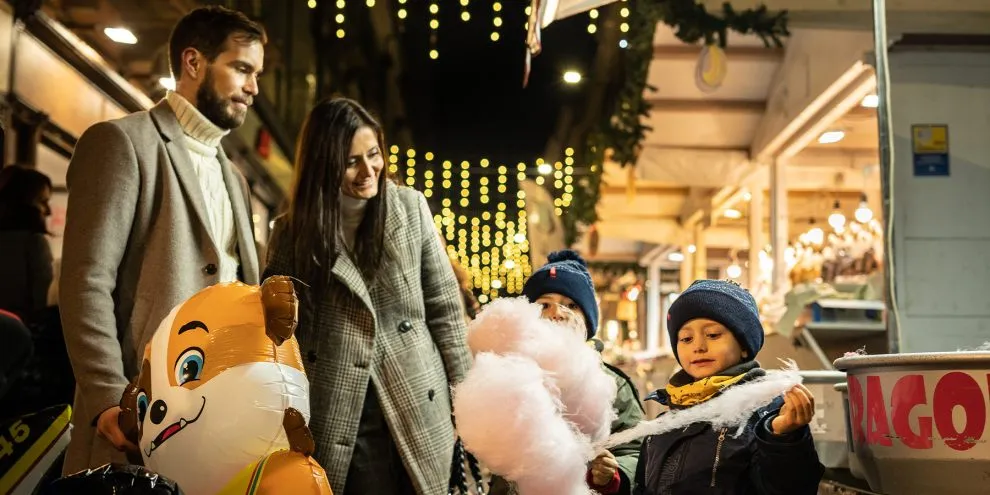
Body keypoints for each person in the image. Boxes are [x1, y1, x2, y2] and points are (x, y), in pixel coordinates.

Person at [59, 6, 264, 475]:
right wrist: (109, 398)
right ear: (193, 63)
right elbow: (85, 282)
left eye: (256, 73)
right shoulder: (121, 143)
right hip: (140, 416)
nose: (253, 87)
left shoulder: (234, 176)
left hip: (220, 418)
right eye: (241, 68)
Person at [264, 98, 472, 495]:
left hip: (417, 397)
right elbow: (281, 335)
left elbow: (445, 310)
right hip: (341, 408)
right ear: (323, 165)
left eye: (373, 154)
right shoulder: (293, 232)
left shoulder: (409, 209)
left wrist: (468, 400)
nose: (368, 171)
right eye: (350, 161)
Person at [633, 279, 824, 494]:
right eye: (686, 338)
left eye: (713, 335)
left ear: (743, 345)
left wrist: (783, 439)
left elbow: (793, 488)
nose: (698, 346)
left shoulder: (768, 414)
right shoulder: (664, 424)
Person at [488, 249, 646, 495]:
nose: (557, 313)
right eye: (544, 305)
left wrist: (613, 475)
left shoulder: (612, 383)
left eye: (571, 305)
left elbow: (634, 450)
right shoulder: (511, 373)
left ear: (588, 321)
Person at [0, 165, 54, 321]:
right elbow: (42, 302)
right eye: (42, 201)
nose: (48, 211)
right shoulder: (34, 243)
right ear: (21, 204)